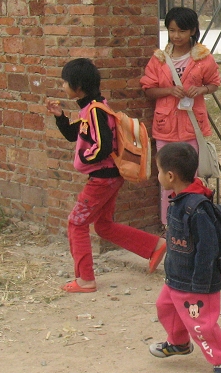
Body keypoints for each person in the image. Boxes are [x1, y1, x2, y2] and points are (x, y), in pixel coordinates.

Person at [46, 58, 167, 293]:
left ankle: (85, 279)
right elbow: (74, 135)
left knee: (76, 222)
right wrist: (60, 116)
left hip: (102, 178)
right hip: (109, 177)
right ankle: (154, 246)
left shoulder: (94, 111)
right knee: (103, 225)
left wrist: (84, 159)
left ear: (78, 86)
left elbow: (103, 146)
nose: (62, 86)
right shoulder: (95, 107)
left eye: (64, 82)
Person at [149, 142, 221, 373]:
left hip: (196, 283)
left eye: (158, 171)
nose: (157, 176)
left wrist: (200, 283)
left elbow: (208, 247)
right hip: (176, 277)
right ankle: (179, 343)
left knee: (201, 325)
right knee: (165, 307)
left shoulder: (197, 208)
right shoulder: (178, 200)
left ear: (170, 176)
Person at [140, 6, 221, 226]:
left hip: (191, 126)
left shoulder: (203, 58)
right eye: (172, 30)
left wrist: (201, 90)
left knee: (188, 177)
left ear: (192, 31)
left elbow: (214, 83)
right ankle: (170, 224)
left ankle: (190, 223)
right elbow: (148, 89)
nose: (176, 36)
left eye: (182, 31)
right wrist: (168, 91)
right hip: (165, 126)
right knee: (166, 177)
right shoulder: (159, 59)